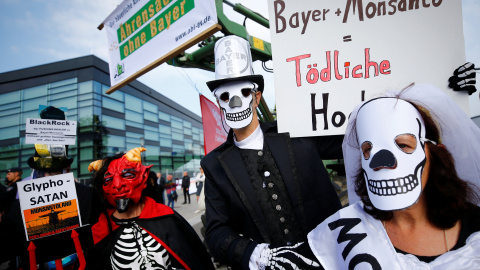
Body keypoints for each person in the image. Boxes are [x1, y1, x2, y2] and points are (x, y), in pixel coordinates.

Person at [201, 35, 343, 269]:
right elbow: (216, 232)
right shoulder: (215, 165)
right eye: (226, 97)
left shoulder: (297, 133)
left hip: (330, 260)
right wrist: (253, 253)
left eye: (244, 94)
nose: (235, 103)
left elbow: (346, 140)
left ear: (256, 98)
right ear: (219, 103)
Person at [308, 83, 480, 269]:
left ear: (437, 154)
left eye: (404, 145)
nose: (380, 162)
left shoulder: (475, 226)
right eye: (368, 150)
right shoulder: (341, 234)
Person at [86, 148, 214, 269]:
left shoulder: (165, 217)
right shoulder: (100, 232)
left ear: (143, 177)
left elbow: (195, 258)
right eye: (109, 180)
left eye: (128, 175)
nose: (118, 185)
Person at [0, 106, 94, 270]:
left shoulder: (87, 195)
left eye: (54, 170)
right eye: (47, 171)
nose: (49, 178)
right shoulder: (15, 200)